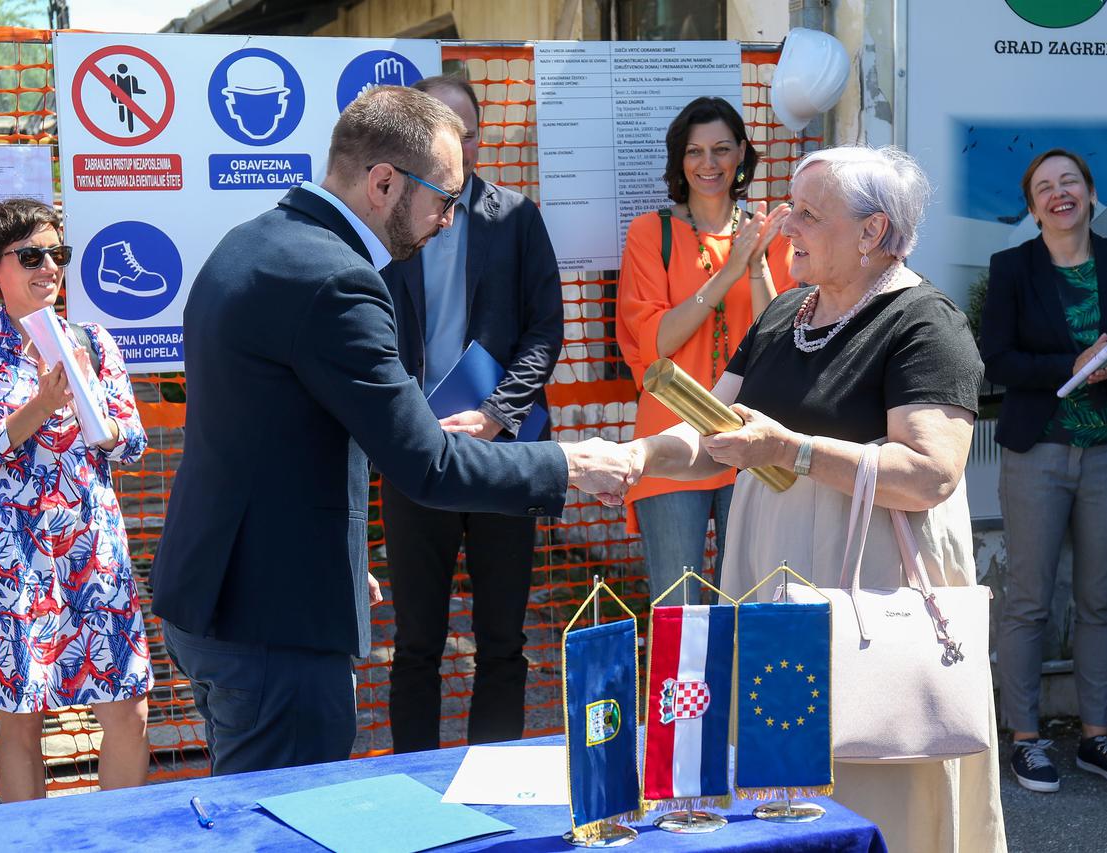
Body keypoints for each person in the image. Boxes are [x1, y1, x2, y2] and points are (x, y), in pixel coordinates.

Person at [149, 86, 639, 776]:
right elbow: (428, 465)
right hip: (274, 626)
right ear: (383, 182)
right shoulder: (338, 282)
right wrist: (569, 463)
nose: (447, 220)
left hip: (220, 597)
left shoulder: (254, 241)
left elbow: (276, 437)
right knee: (285, 824)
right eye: (443, 199)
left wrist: (339, 557)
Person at [627, 146, 1007, 852]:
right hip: (774, 572)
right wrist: (634, 457)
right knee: (781, 778)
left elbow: (930, 472)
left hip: (869, 578)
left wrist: (792, 451)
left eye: (807, 212)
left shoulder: (927, 322)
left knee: (877, 773)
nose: (785, 225)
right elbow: (716, 425)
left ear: (872, 232)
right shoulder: (782, 316)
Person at [0, 198, 150, 801]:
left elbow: (129, 444)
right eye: (30, 255)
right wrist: (40, 407)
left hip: (91, 549)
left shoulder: (96, 342)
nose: (49, 266)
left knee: (129, 713)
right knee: (20, 714)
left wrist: (93, 407)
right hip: (5, 557)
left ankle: (119, 840)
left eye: (58, 253)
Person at [379, 75, 562, 753]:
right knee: (417, 642)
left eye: (471, 136)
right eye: (446, 136)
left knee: (503, 642)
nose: (462, 150)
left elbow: (545, 331)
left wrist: (494, 414)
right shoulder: (388, 220)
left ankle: (496, 784)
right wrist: (402, 423)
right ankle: (413, 786)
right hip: (415, 456)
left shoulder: (516, 217)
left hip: (500, 454)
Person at [981, 148, 1107, 793]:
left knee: (1100, 600)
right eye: (1045, 187)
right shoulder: (1012, 268)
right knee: (1027, 601)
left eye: (1070, 182)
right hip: (1039, 452)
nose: (1060, 194)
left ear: (1089, 192)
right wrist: (1070, 363)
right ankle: (1026, 739)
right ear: (1033, 206)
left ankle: (1096, 738)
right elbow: (997, 359)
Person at [616, 95, 794, 603]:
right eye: (695, 152)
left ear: (741, 153)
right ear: (679, 159)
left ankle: (738, 689)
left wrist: (756, 264)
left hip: (752, 436)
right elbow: (657, 345)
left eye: (720, 149)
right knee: (679, 609)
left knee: (756, 603)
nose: (708, 164)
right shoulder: (651, 232)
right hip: (670, 439)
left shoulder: (768, 235)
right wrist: (729, 271)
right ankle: (682, 689)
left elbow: (775, 337)